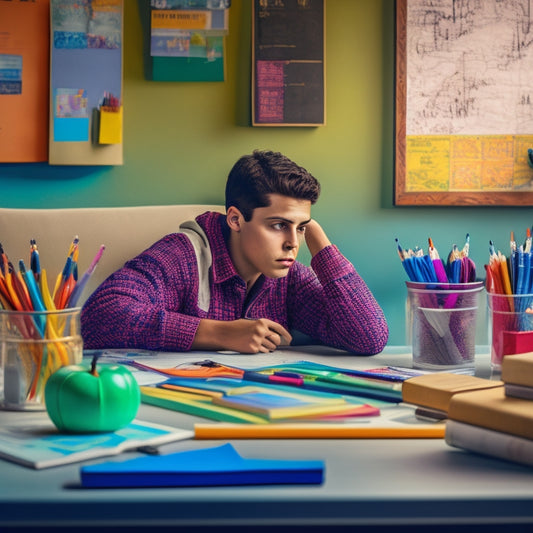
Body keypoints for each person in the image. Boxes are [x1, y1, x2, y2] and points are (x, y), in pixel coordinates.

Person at [81, 150, 388, 354]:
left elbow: (369, 337)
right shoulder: (183, 256)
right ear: (236, 219)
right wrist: (220, 334)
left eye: (301, 227)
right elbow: (99, 317)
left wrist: (321, 246)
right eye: (279, 225)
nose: (293, 243)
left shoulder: (288, 275)